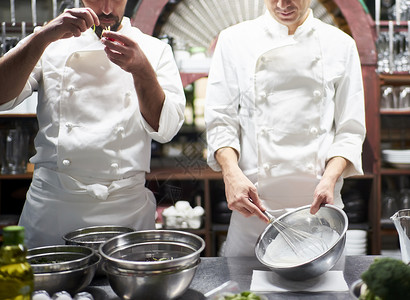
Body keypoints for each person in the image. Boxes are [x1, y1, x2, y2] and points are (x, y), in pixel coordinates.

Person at [0, 0, 185, 248]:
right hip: (54, 210)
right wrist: (43, 36)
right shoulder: (50, 42)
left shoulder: (154, 50)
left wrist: (141, 69)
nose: (107, 9)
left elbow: (167, 129)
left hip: (125, 211)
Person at [205, 0, 366, 256]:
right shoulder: (234, 40)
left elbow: (351, 129)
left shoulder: (340, 44)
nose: (283, 4)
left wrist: (330, 178)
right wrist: (230, 173)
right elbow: (220, 120)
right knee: (243, 293)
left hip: (319, 208)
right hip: (254, 209)